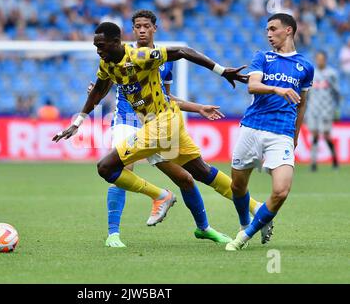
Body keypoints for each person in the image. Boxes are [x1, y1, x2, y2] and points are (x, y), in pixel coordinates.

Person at [53, 21, 249, 246]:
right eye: (137, 26)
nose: (142, 29)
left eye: (146, 25)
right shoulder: (113, 60)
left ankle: (186, 214)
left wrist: (210, 88)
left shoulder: (150, 58)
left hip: (158, 122)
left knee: (176, 176)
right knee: (135, 167)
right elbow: (99, 88)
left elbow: (175, 74)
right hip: (139, 121)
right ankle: (114, 233)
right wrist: (79, 121)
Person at [226, 13, 314, 251]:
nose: (268, 34)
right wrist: (278, 89)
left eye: (273, 29)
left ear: (288, 30)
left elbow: (302, 103)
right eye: (266, 30)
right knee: (237, 186)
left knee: (281, 191)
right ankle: (246, 222)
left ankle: (244, 236)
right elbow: (252, 86)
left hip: (282, 132)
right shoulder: (262, 56)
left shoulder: (305, 66)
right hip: (252, 127)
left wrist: (295, 137)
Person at [306, 51, 340, 171]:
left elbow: (337, 93)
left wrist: (336, 109)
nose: (320, 61)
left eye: (322, 59)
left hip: (326, 109)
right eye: (318, 59)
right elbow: (307, 93)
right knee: (314, 135)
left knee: (326, 136)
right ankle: (313, 163)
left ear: (325, 59)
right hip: (313, 109)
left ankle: (335, 160)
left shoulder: (331, 74)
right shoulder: (311, 74)